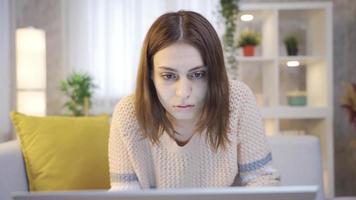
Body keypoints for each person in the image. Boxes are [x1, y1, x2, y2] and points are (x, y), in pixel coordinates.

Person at [108, 10, 279, 191]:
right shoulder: (128, 113)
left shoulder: (238, 100)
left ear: (214, 72)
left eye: (197, 74)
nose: (183, 92)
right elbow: (124, 192)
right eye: (168, 75)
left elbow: (261, 181)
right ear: (150, 73)